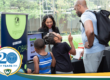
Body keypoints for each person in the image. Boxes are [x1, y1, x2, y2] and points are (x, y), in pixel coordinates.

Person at [74, 0, 105, 73]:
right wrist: (85, 49)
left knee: (90, 76)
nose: (75, 11)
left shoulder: (85, 15)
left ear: (79, 6)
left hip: (92, 51)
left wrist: (90, 44)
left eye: (75, 9)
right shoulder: (92, 13)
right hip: (99, 48)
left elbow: (90, 31)